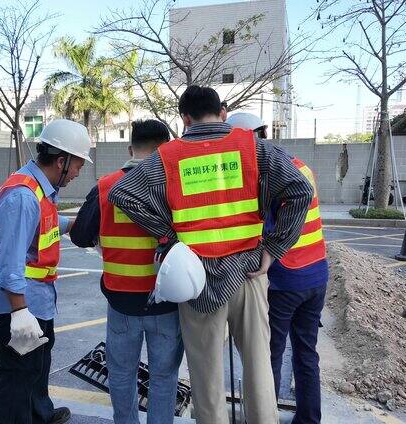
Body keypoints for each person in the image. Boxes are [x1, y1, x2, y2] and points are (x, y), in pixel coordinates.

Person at [109, 85, 312, 423]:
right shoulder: (254, 148)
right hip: (248, 273)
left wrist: (167, 236)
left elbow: (122, 193)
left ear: (184, 118)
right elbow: (300, 190)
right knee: (259, 368)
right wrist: (274, 247)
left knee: (206, 376)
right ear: (222, 113)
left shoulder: (168, 156)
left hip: (198, 281)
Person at [70, 119, 183, 424]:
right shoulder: (176, 186)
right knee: (163, 376)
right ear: (167, 149)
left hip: (121, 302)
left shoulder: (107, 186)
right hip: (166, 303)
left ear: (131, 148)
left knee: (122, 374)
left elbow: (80, 235)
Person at [0, 119, 92, 424]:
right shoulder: (22, 196)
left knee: (37, 364)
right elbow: (9, 264)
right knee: (18, 374)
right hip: (20, 305)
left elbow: (41, 227)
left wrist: (74, 226)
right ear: (61, 161)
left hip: (37, 299)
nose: (77, 173)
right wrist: (19, 313)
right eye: (77, 166)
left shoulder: (38, 188)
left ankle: (40, 414)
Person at [227, 112, 328, 424]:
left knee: (267, 354)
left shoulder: (264, 175)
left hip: (286, 280)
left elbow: (261, 231)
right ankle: (309, 419)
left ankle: (263, 418)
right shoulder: (298, 165)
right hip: (317, 275)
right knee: (306, 352)